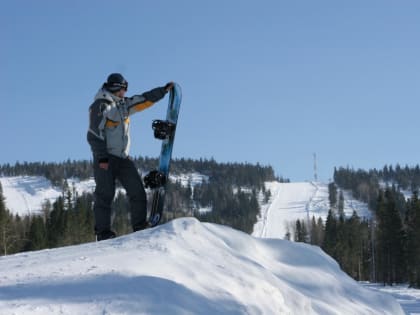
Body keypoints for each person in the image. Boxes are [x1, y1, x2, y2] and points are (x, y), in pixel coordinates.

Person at [87, 73, 173, 241]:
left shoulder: (123, 105)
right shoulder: (101, 105)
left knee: (137, 191)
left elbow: (142, 100)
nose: (125, 92)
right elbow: (93, 134)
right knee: (105, 195)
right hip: (105, 158)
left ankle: (139, 225)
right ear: (115, 88)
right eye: (123, 89)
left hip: (123, 158)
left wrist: (162, 91)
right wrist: (102, 158)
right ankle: (103, 233)